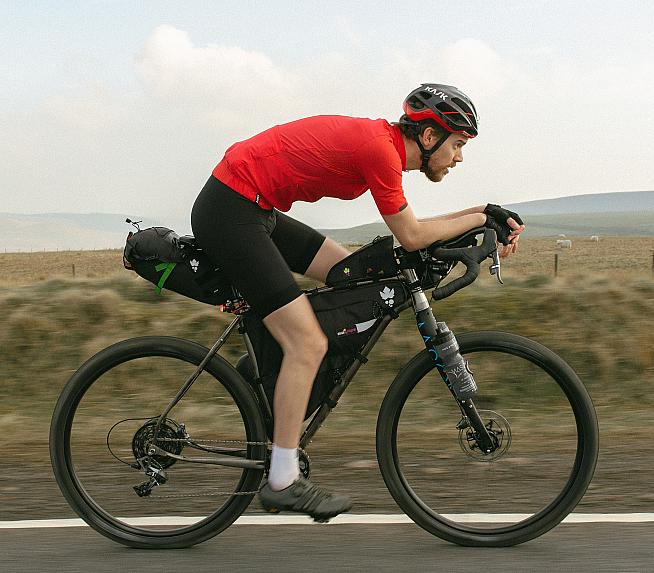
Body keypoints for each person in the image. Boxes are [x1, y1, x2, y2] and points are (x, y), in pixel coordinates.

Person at [191, 83, 525, 521]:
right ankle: (282, 481)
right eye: (458, 145)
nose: (459, 157)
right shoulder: (380, 151)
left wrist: (482, 214)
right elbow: (411, 236)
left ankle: (265, 374)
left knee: (349, 273)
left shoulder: (383, 147)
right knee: (307, 342)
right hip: (231, 211)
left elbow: (412, 229)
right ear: (429, 137)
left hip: (255, 209)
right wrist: (478, 218)